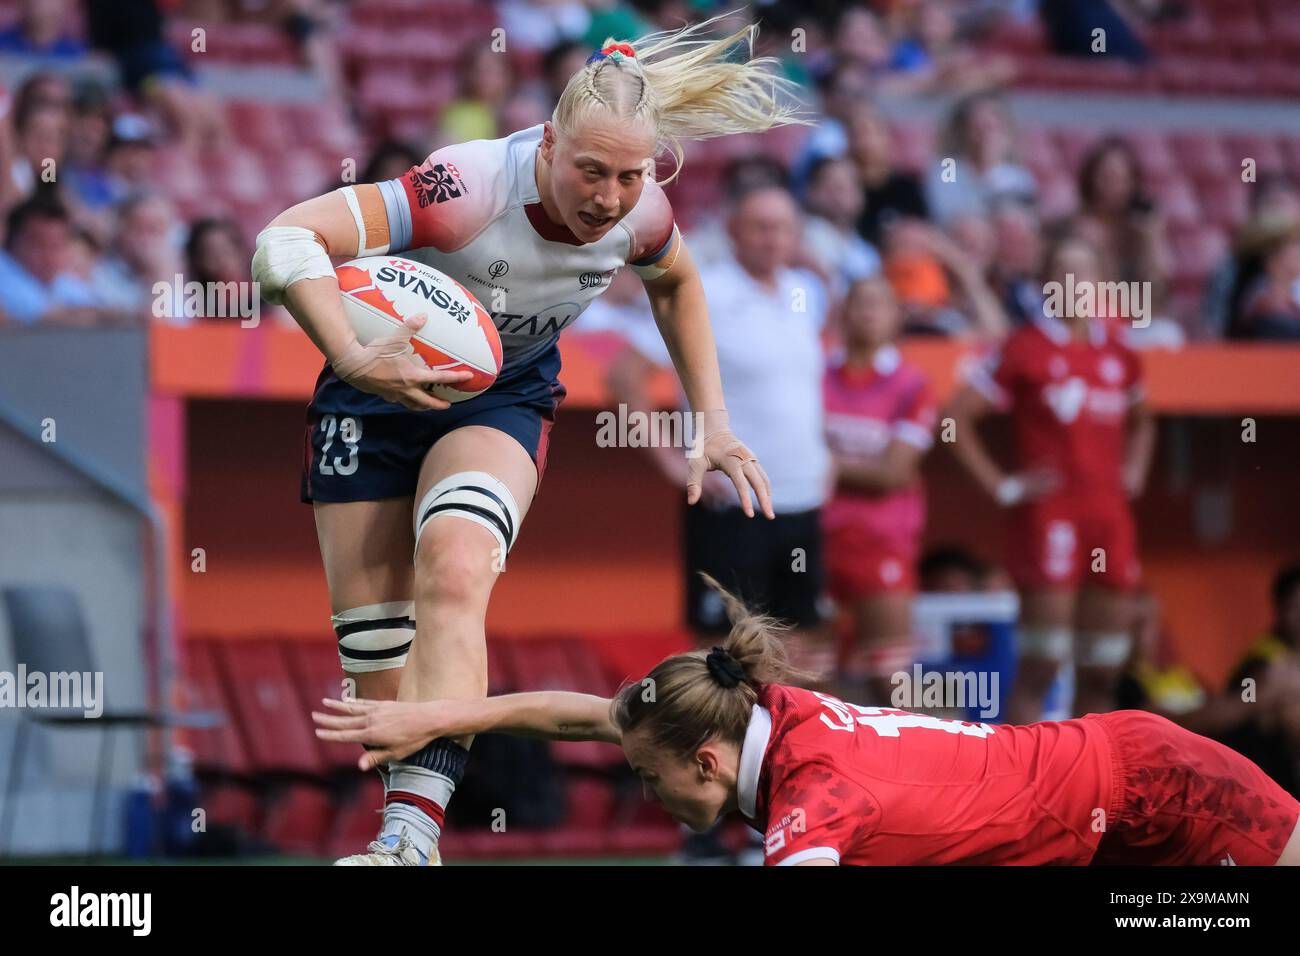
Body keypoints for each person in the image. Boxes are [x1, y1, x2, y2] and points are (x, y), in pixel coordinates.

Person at [251, 19, 795, 866]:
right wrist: (354, 351)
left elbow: (677, 282)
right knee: (375, 664)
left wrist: (711, 419)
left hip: (502, 396)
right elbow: (284, 240)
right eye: (590, 170)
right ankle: (404, 822)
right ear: (546, 143)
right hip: (370, 389)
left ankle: (410, 842)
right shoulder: (464, 187)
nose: (609, 197)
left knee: (458, 567)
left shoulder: (640, 213)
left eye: (629, 175)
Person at [313, 574, 1300, 866]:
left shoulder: (814, 798)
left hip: (1159, 791)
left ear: (705, 758)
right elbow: (589, 716)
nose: (646, 792)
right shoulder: (753, 705)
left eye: (650, 780)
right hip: (1099, 817)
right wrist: (435, 715)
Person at [944, 233, 1156, 724]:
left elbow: (1144, 419)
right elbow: (953, 422)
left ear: (1101, 282)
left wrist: (1135, 468)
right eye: (1063, 271)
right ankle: (1022, 788)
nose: (1074, 282)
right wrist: (1004, 485)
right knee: (1043, 663)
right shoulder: (1024, 347)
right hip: (1050, 519)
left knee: (1104, 668)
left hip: (1110, 520)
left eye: (1084, 272)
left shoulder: (1121, 353)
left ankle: (1091, 789)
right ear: (1046, 283)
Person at [823, 277, 936, 703]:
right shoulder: (814, 373)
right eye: (860, 303)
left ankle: (900, 769)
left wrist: (822, 464)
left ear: (896, 318)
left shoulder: (911, 384)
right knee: (811, 675)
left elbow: (894, 473)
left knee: (888, 678)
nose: (868, 312)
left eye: (880, 304)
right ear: (843, 312)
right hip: (813, 538)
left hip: (881, 541)